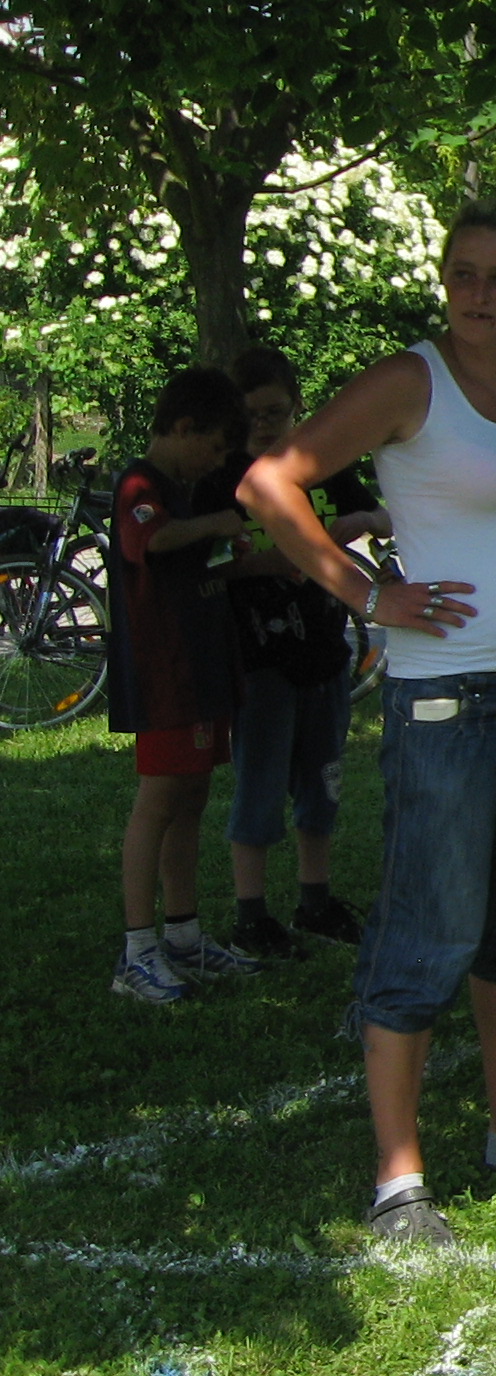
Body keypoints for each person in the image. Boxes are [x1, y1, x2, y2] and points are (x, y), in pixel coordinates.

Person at [241, 198, 496, 1245]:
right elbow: (271, 483)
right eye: (462, 274)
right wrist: (368, 595)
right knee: (430, 928)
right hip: (447, 698)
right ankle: (398, 1183)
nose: (478, 294)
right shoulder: (409, 380)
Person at [221, 345, 391, 961]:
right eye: (252, 415)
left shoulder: (318, 468)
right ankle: (251, 913)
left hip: (323, 647)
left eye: (277, 412)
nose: (265, 426)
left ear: (297, 407)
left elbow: (384, 515)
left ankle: (315, 900)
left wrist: (362, 519)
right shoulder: (223, 479)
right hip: (259, 657)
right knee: (261, 781)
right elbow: (206, 565)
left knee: (323, 780)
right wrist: (273, 561)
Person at [107, 366, 258, 1003]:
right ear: (184, 426)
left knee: (192, 797)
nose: (216, 462)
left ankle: (184, 934)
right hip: (164, 672)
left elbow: (199, 565)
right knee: (159, 801)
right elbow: (151, 539)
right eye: (215, 447)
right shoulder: (140, 484)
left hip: (202, 669)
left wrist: (244, 555)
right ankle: (136, 951)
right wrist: (217, 523)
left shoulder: (185, 491)